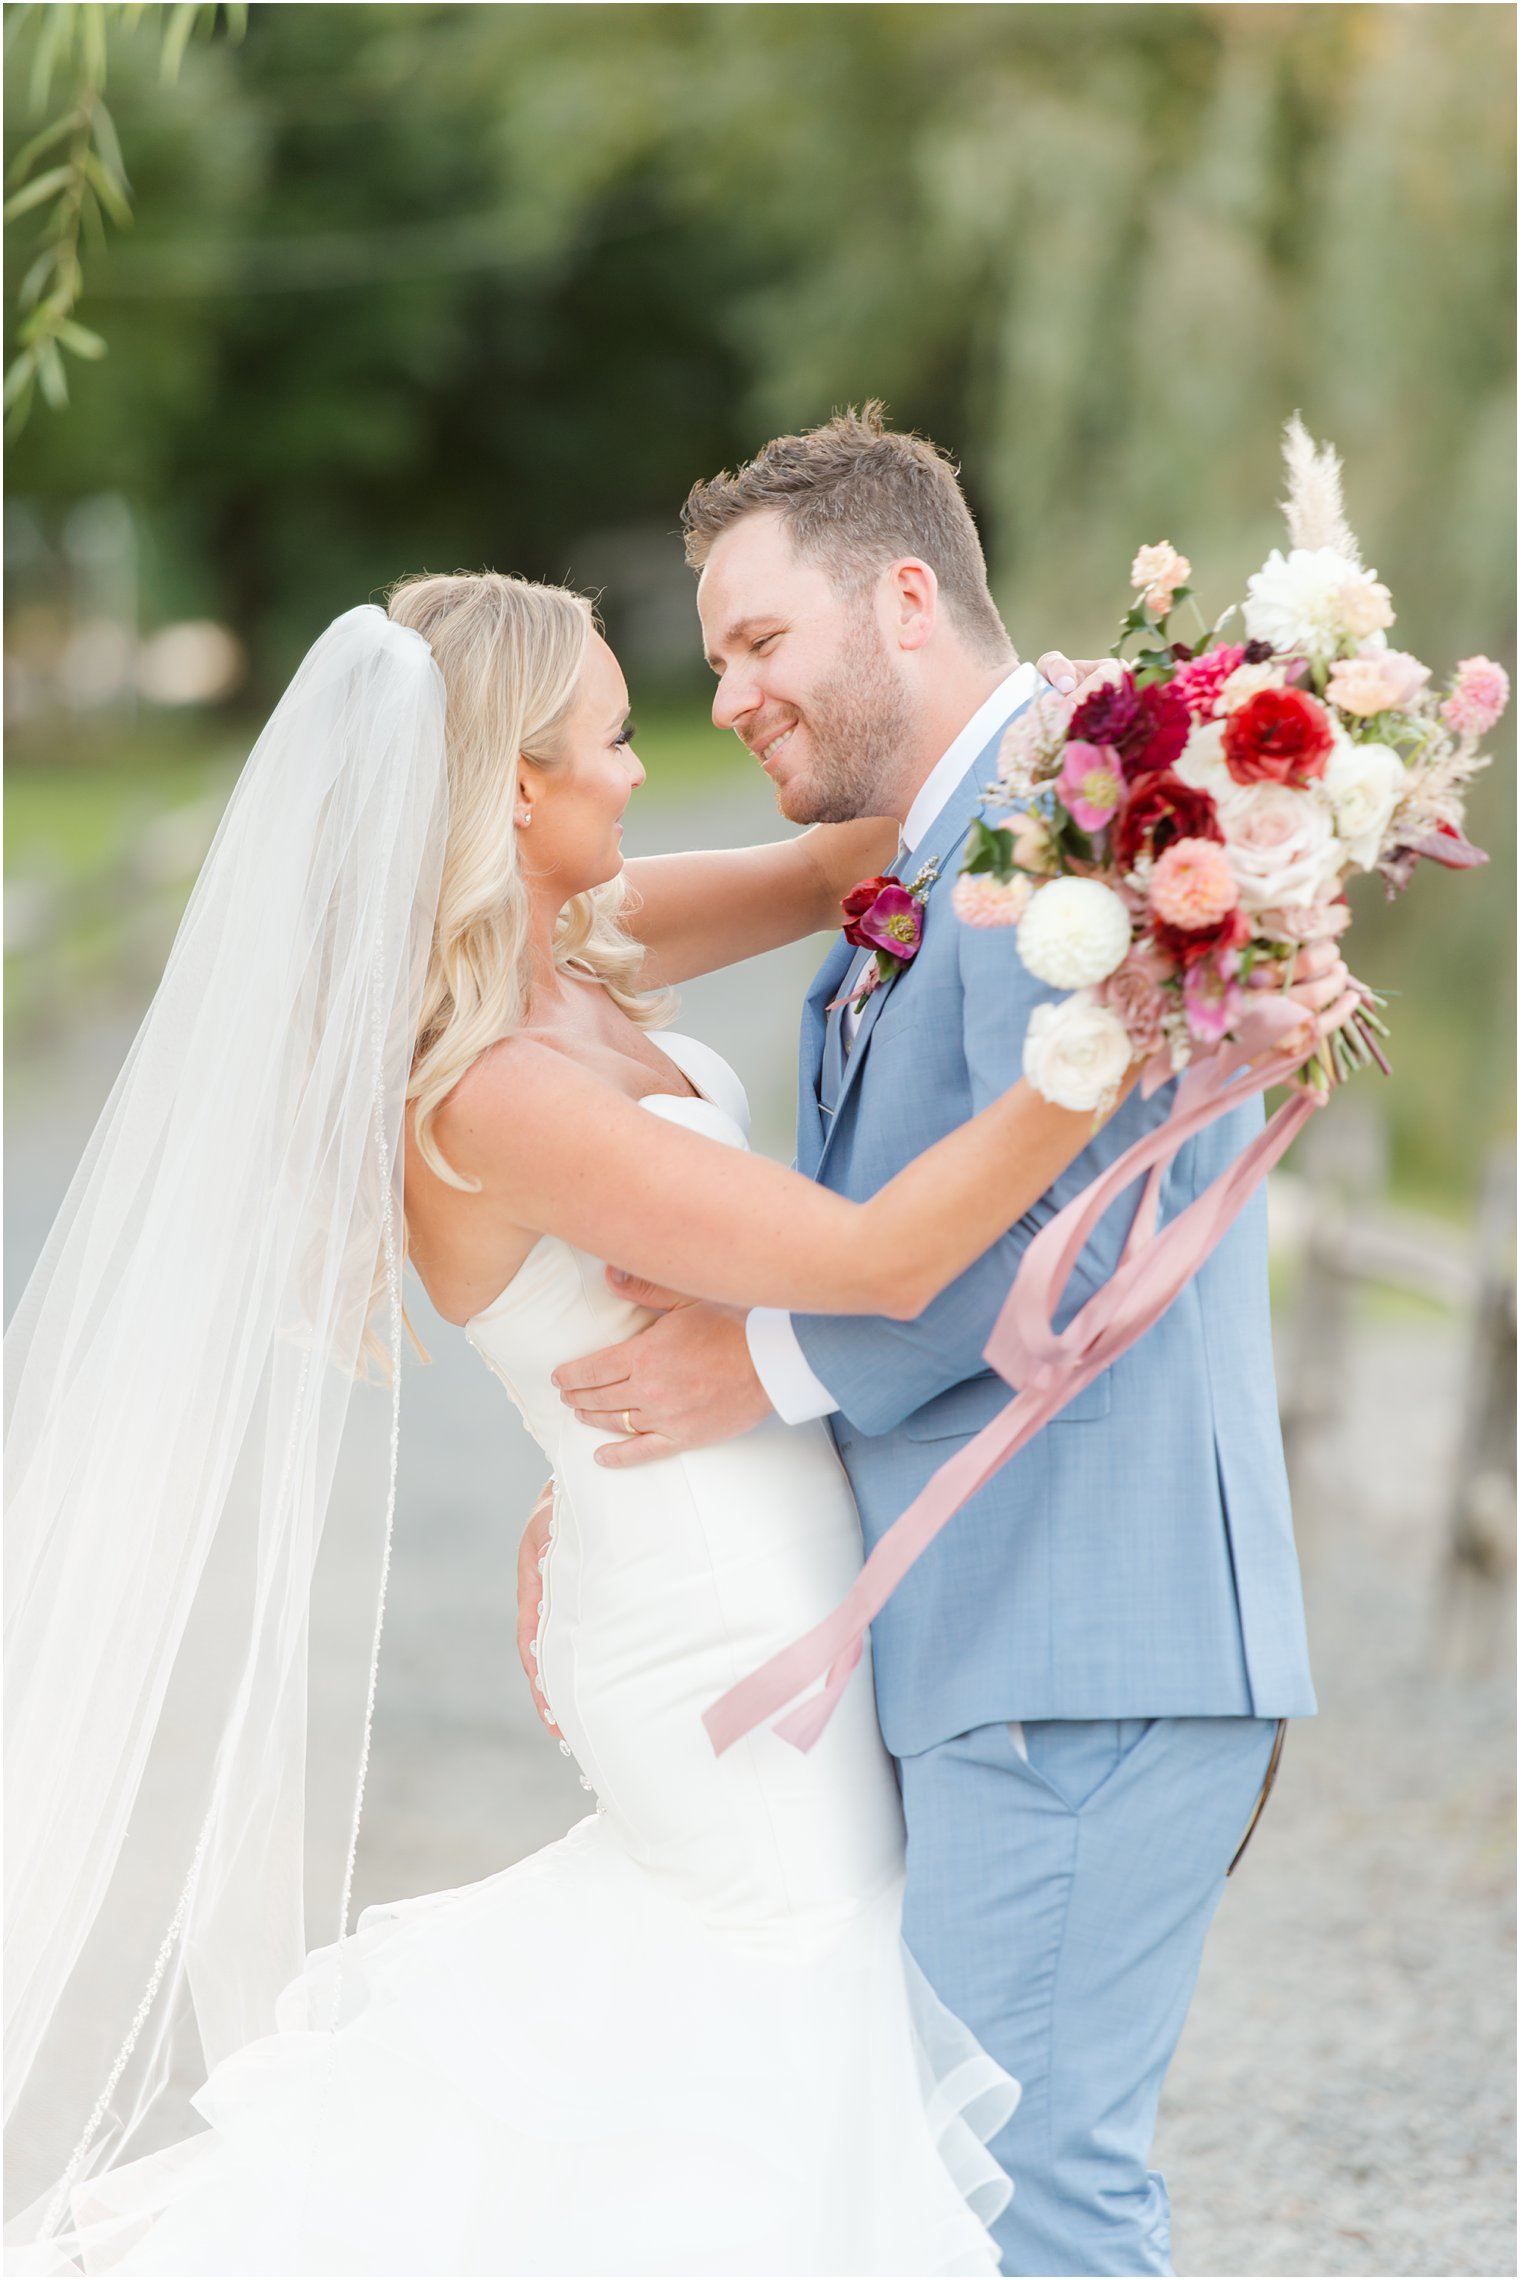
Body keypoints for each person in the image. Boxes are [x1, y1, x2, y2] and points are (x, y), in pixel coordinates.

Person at [4, 566, 1345, 2277]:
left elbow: (845, 858)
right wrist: (1126, 1034)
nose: (654, 762)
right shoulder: (491, 1089)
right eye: (618, 737)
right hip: (711, 1617)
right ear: (514, 790)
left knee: (808, 2066)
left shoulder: (583, 946)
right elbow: (877, 1260)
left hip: (752, 1569)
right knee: (784, 2048)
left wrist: (1128, 752)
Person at [535, 405, 1325, 2278]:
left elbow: (1083, 1215)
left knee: (1030, 2202)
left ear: (905, 598)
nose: (725, 693)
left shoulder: (1085, 838)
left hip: (1083, 1627)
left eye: (756, 642)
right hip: (1003, 1635)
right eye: (716, 656)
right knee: (969, 2189)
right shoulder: (965, 832)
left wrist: (775, 1370)